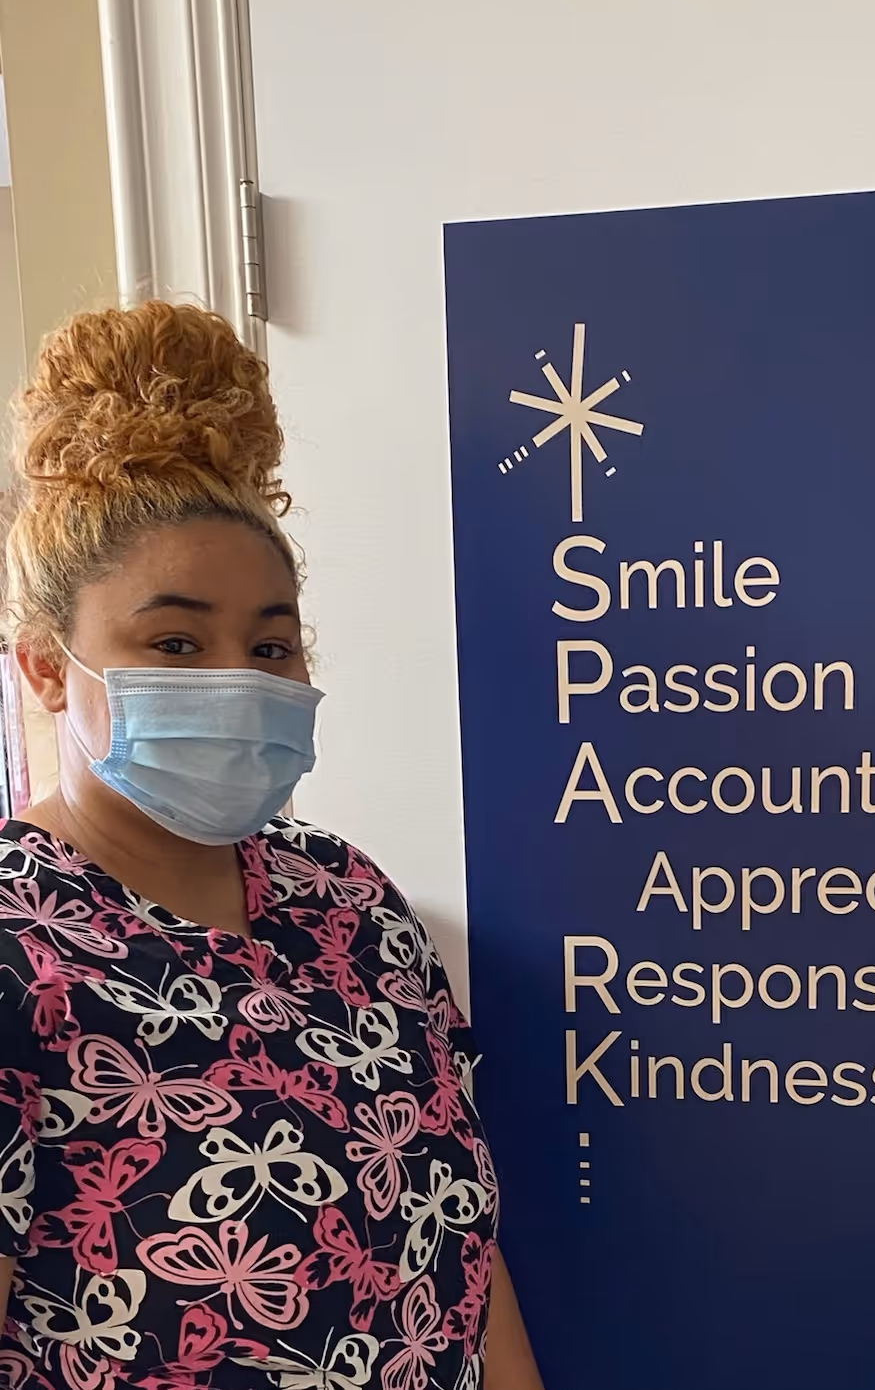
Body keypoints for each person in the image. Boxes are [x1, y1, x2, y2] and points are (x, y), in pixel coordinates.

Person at [0, 303, 543, 1390]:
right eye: (174, 641)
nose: (235, 678)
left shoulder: (349, 901)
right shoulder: (23, 950)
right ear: (49, 669)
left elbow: (461, 1246)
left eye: (270, 644)